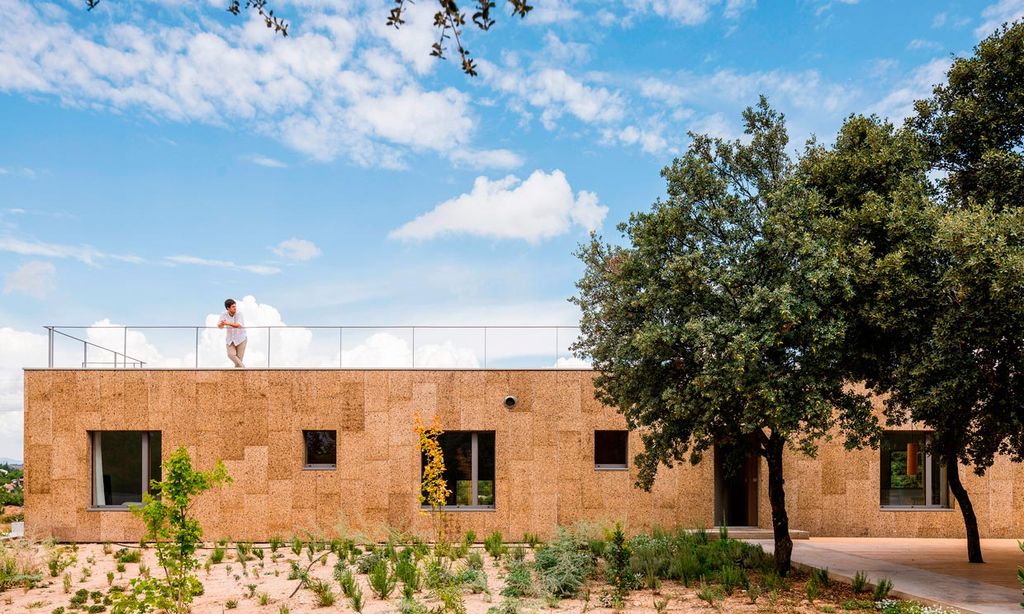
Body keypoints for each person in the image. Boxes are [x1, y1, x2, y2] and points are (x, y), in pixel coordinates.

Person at [218, 298, 247, 367]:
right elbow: (220, 327)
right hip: (230, 339)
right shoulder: (223, 314)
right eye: (233, 307)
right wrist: (222, 324)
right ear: (228, 308)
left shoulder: (239, 314)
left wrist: (227, 323)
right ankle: (244, 369)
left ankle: (238, 376)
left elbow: (238, 325)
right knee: (230, 355)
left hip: (241, 339)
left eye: (235, 306)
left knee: (239, 360)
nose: (235, 308)